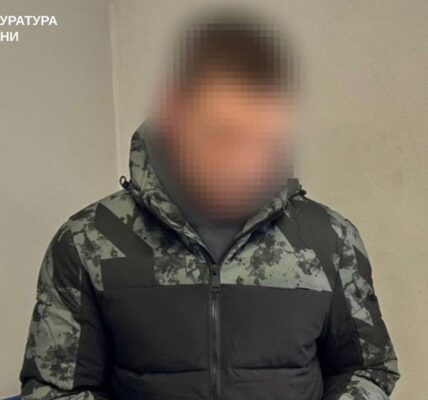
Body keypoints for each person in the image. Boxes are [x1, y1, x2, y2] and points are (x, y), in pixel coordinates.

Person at [20, 12, 399, 400]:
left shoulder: (330, 238)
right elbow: (55, 389)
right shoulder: (87, 240)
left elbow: (369, 369)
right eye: (221, 135)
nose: (242, 160)